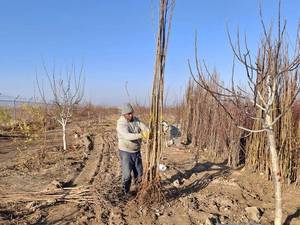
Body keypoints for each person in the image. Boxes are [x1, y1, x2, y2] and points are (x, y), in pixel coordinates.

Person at [116, 103, 149, 194]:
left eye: (131, 113)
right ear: (124, 114)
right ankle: (124, 192)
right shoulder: (121, 123)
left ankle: (139, 191)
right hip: (126, 152)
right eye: (128, 114)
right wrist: (141, 135)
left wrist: (148, 132)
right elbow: (127, 136)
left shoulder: (136, 120)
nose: (131, 115)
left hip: (136, 151)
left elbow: (144, 128)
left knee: (139, 173)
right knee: (127, 175)